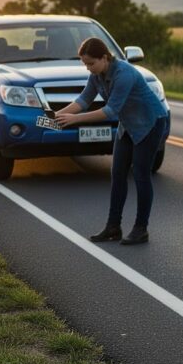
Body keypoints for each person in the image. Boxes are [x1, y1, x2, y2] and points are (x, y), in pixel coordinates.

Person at [54, 37, 167, 245]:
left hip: (151, 123)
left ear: (104, 58)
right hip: (128, 125)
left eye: (91, 63)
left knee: (141, 175)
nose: (88, 68)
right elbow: (83, 100)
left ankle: (141, 229)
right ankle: (113, 227)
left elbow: (110, 111)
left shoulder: (124, 74)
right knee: (117, 174)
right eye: (85, 64)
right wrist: (55, 117)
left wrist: (74, 120)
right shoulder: (97, 74)